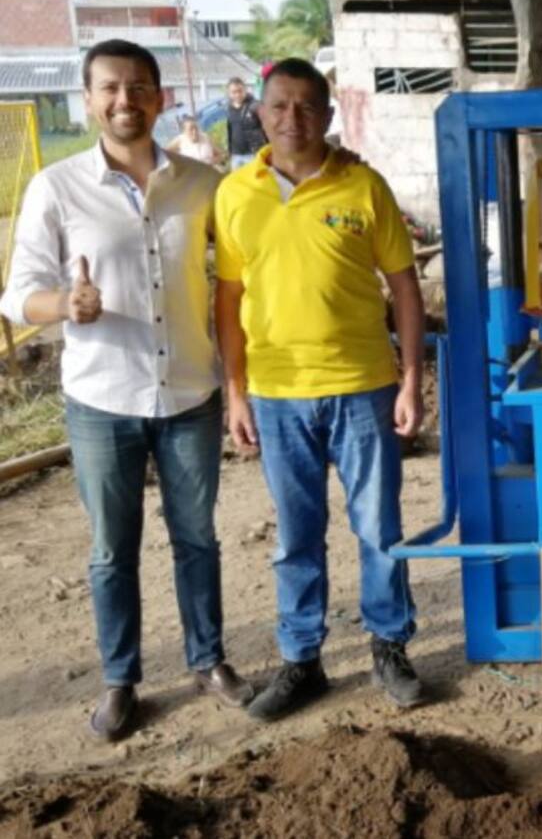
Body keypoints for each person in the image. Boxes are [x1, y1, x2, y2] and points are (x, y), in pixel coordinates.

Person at [0, 39, 253, 742]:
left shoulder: (202, 184)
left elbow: (253, 231)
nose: (125, 100)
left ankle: (208, 661)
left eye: (140, 87)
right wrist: (64, 305)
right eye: (110, 88)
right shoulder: (55, 187)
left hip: (189, 395)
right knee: (113, 548)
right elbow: (18, 295)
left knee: (197, 537)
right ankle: (122, 680)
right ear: (88, 99)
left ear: (161, 98)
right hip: (101, 400)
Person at [214, 57, 427, 721]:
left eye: (307, 106)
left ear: (328, 116)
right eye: (279, 106)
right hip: (276, 395)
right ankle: (302, 659)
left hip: (363, 386)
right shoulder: (235, 194)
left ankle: (389, 647)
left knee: (379, 528)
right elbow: (228, 300)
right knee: (295, 536)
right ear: (259, 112)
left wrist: (411, 379)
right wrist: (236, 392)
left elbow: (405, 288)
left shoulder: (364, 187)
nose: (292, 119)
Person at [225, 76, 266, 169]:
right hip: (236, 155)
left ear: (245, 90)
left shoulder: (254, 106)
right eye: (234, 92)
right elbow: (230, 130)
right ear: (229, 93)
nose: (237, 94)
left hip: (252, 153)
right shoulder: (229, 108)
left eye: (240, 91)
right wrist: (230, 150)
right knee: (237, 182)